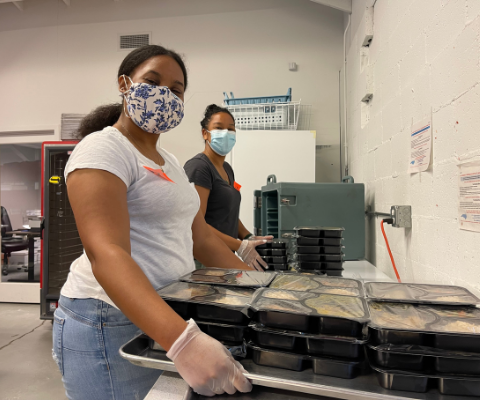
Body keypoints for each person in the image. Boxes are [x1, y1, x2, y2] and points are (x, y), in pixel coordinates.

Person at [52, 45, 253, 400]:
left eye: (176, 90)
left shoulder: (170, 162)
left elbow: (200, 237)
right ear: (125, 84)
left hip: (159, 310)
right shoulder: (103, 148)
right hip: (107, 317)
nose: (165, 95)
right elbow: (105, 251)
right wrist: (183, 341)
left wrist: (254, 285)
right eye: (153, 81)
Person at [184, 105, 271, 271]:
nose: (225, 133)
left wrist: (248, 237)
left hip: (223, 255)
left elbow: (227, 212)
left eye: (231, 129)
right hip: (203, 258)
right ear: (205, 133)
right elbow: (196, 223)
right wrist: (240, 246)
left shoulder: (227, 169)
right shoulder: (199, 167)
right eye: (218, 128)